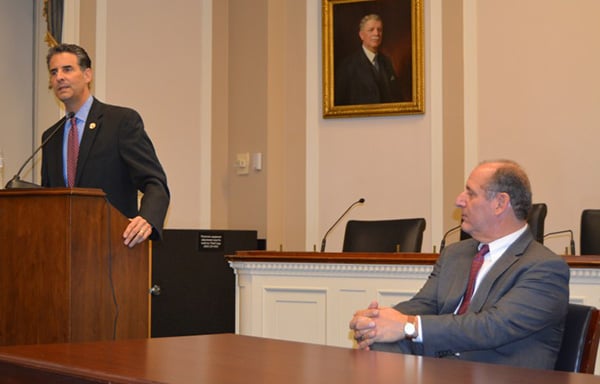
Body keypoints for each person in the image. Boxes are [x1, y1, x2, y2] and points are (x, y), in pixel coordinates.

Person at [349, 160, 570, 370]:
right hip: (436, 371)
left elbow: (491, 327)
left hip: (497, 376)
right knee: (380, 345)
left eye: (471, 193)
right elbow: (423, 305)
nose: (459, 200)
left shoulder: (545, 268)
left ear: (500, 203)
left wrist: (408, 326)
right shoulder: (455, 254)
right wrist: (375, 323)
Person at [41, 43, 169, 248]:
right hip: (63, 249)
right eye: (53, 72)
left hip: (113, 246)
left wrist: (146, 219)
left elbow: (154, 182)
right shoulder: (50, 137)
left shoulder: (120, 122)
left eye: (67, 69)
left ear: (87, 75)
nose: (59, 77)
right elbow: (49, 199)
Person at [335, 14, 403, 105]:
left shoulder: (386, 62)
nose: (376, 33)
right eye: (371, 30)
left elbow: (397, 97)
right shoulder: (348, 66)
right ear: (361, 35)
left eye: (379, 30)